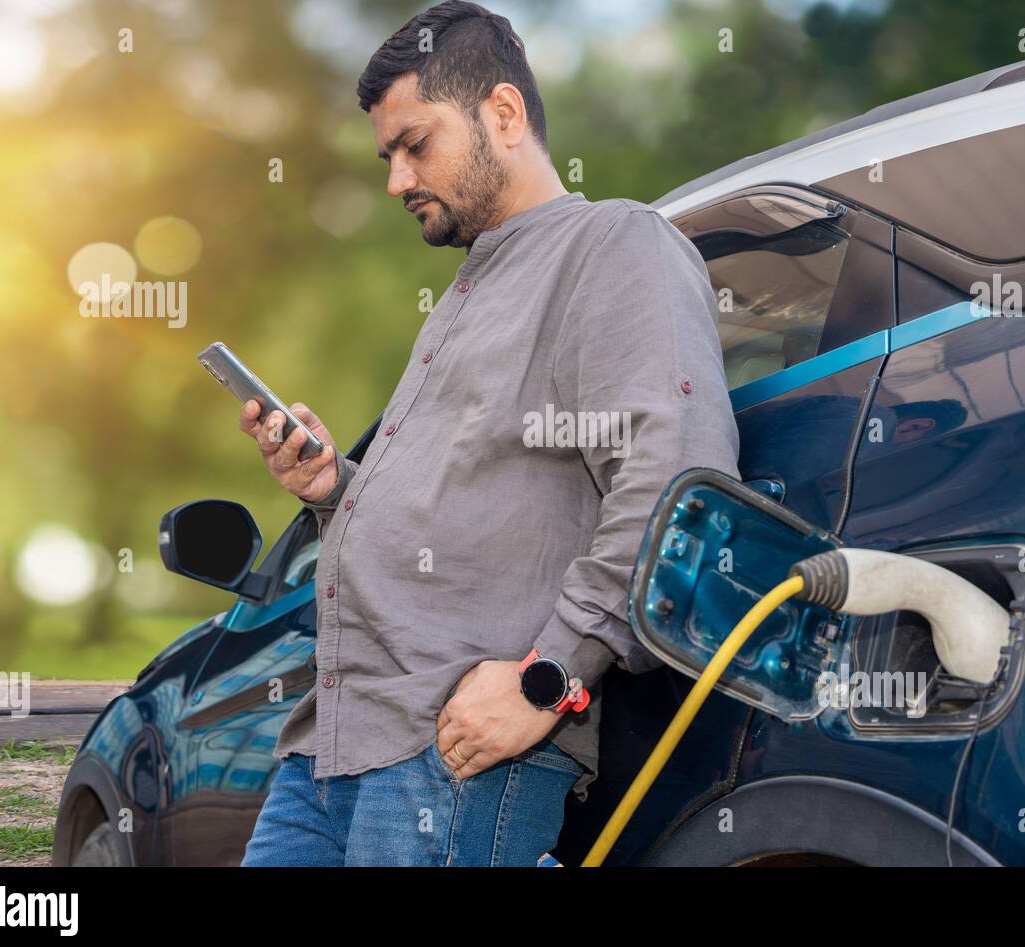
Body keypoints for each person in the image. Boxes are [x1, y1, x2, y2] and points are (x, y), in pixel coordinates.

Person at [240, 0, 740, 867]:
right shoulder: (464, 293)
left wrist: (549, 680)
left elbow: (674, 478)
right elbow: (474, 498)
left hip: (452, 754)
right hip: (329, 748)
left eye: (415, 144)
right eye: (387, 156)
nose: (396, 180)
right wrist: (335, 490)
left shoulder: (616, 244)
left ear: (503, 115)